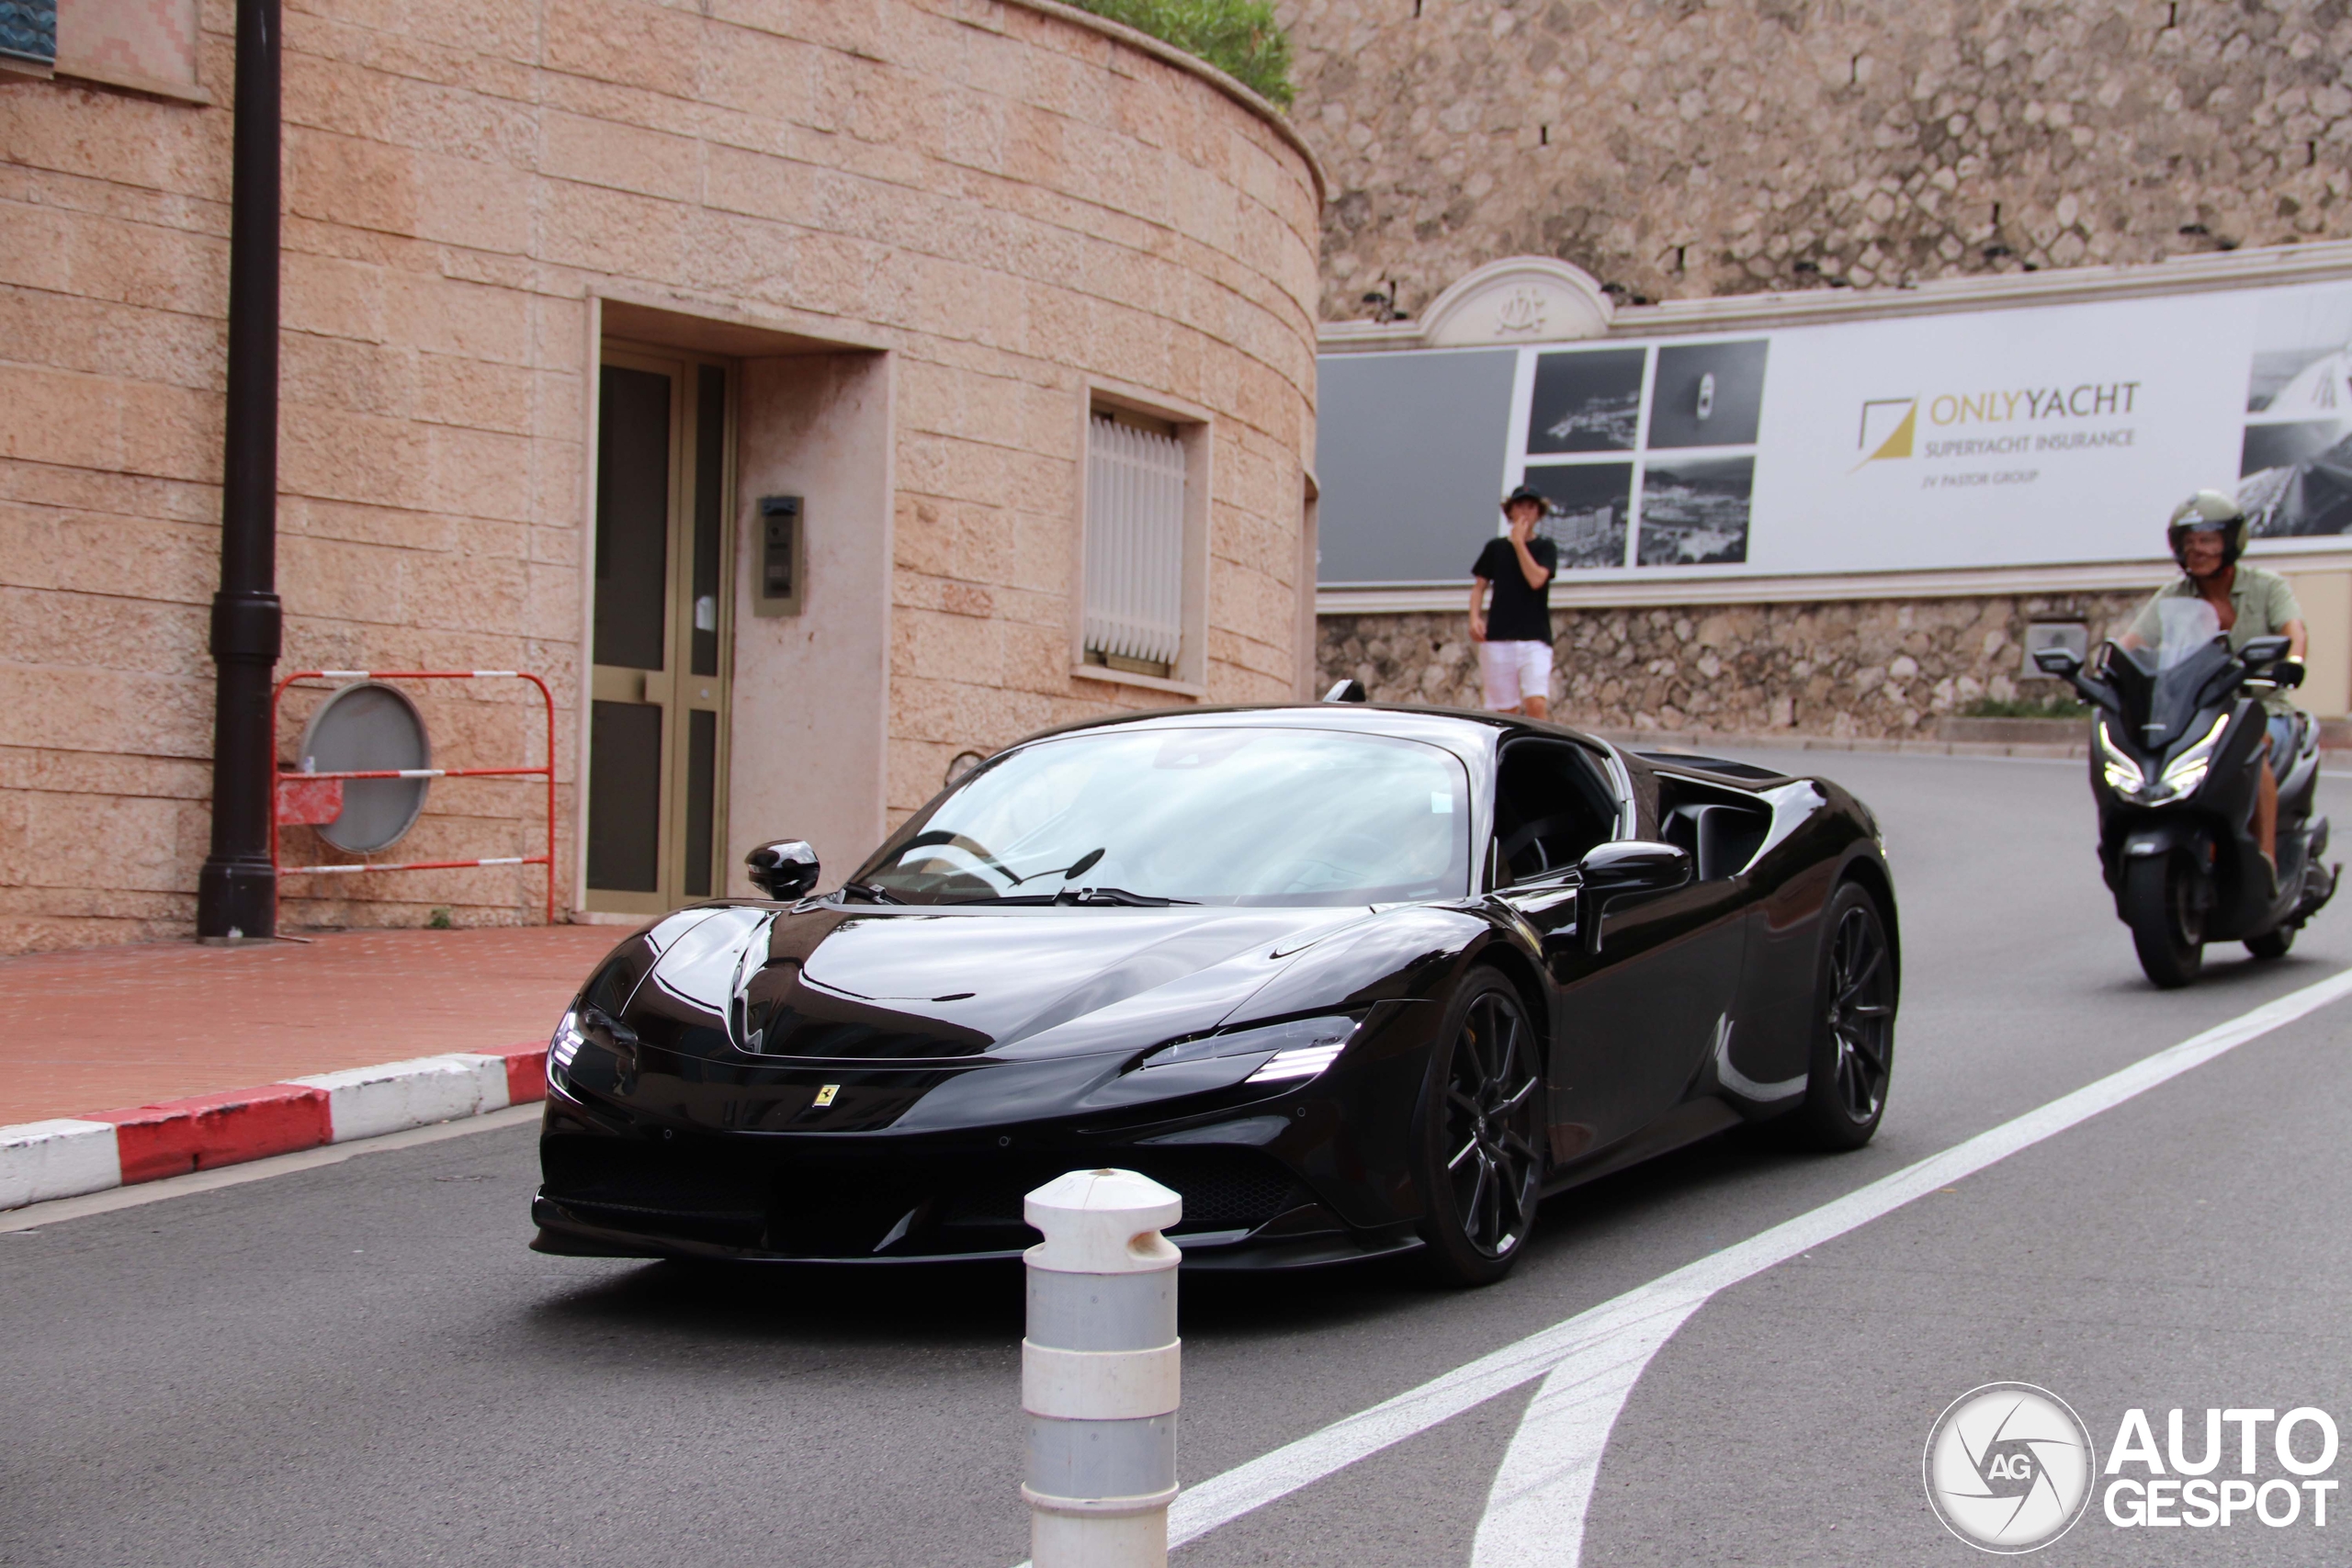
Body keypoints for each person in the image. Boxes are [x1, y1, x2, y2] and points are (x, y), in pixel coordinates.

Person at [2121, 490, 2308, 879]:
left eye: (2207, 540)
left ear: (2231, 541)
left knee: (2251, 746)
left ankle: (2267, 862)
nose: (2197, 550)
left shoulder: (2266, 586)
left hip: (2259, 706)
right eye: (2189, 543)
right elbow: (2131, 645)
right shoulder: (2173, 596)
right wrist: (2107, 673)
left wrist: (2293, 662)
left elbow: (2294, 628)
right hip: (2192, 710)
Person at [1471, 485, 1558, 717]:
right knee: (1504, 711)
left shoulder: (1545, 547)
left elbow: (1537, 579)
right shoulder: (1496, 548)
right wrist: (1474, 617)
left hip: (1534, 638)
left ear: (1539, 513)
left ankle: (1542, 750)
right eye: (1520, 506)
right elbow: (1479, 586)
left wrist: (1519, 543)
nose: (1525, 512)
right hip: (1499, 637)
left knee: (1536, 702)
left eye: (1531, 507)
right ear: (1510, 511)